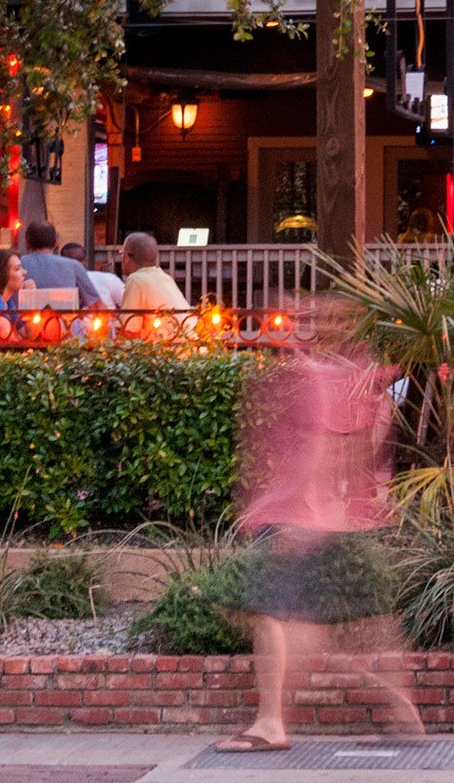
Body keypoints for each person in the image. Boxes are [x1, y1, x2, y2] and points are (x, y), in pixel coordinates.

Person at [215, 331, 421, 752]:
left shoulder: (309, 378)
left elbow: (317, 446)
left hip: (296, 516)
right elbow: (374, 436)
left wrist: (297, 505)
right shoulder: (356, 379)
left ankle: (270, 722)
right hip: (334, 514)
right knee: (342, 626)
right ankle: (404, 708)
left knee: (266, 611)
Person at [16, 220, 102, 308]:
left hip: (24, 320)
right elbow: (96, 304)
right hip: (67, 321)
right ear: (56, 242)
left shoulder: (17, 266)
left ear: (27, 242)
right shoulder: (74, 266)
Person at [117, 231, 189, 313]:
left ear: (126, 257)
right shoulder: (165, 277)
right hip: (190, 325)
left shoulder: (136, 280)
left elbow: (128, 323)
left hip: (172, 326)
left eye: (121, 253)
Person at [66, 241, 125, 309]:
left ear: (86, 260)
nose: (77, 265)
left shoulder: (108, 279)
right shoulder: (56, 287)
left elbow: (129, 306)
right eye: (72, 262)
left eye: (81, 260)